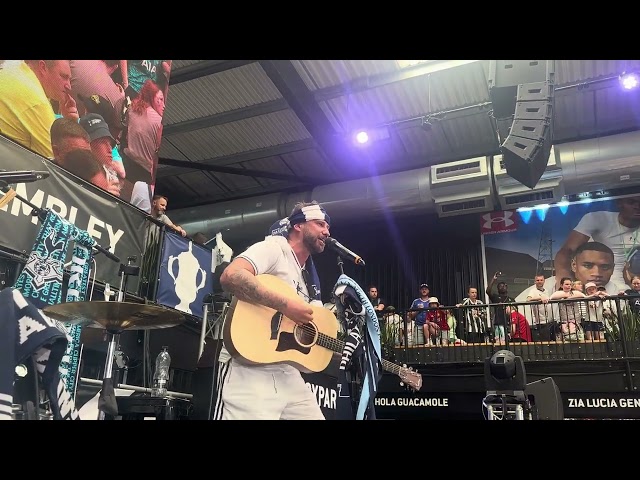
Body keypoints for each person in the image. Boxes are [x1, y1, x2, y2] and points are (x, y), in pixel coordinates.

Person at [216, 201, 331, 420]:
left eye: (327, 227)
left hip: (287, 369)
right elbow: (231, 276)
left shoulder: (308, 276)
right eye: (320, 224)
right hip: (249, 365)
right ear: (298, 225)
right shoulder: (274, 248)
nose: (326, 231)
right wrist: (286, 305)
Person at [554, 196, 640, 289]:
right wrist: (565, 285)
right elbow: (567, 251)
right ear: (620, 203)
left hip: (620, 285)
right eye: (631, 202)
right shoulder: (598, 219)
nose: (637, 207)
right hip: (587, 284)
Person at [0, 60, 78, 158]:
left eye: (69, 80)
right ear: (42, 67)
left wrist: (66, 122)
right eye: (63, 76)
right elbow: (59, 165)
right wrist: (72, 125)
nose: (68, 86)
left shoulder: (15, 68)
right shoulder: (37, 102)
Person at [542, 242, 627, 295]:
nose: (596, 273)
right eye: (588, 266)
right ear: (574, 265)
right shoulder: (546, 289)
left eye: (605, 267)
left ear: (612, 269)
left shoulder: (619, 291)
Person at [485, 271, 515, 344]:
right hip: (499, 323)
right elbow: (488, 291)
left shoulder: (511, 299)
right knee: (500, 342)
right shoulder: (495, 297)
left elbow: (515, 311)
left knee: (508, 342)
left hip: (509, 324)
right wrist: (494, 279)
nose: (502, 287)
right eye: (500, 286)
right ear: (498, 288)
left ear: (506, 287)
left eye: (504, 286)